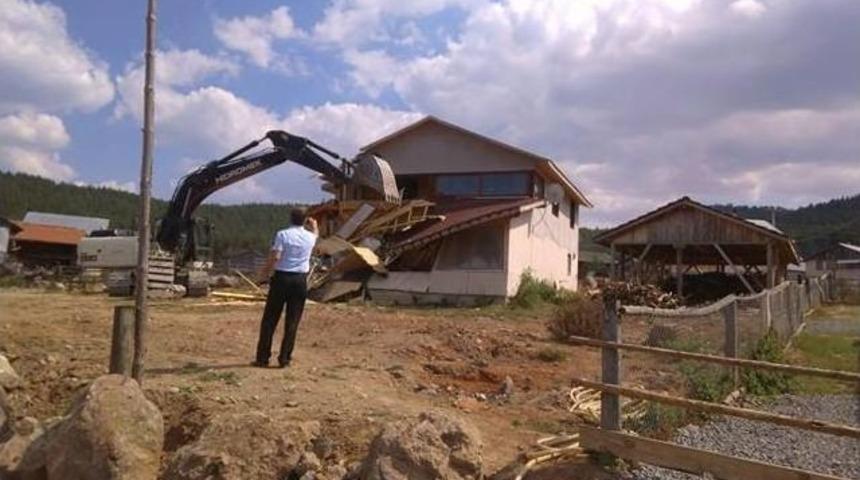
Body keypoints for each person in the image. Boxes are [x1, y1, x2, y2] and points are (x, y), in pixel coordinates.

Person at [253, 208, 318, 368]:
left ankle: (263, 358)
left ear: (290, 218)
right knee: (293, 321)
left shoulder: (282, 234)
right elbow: (316, 235)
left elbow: (275, 256)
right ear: (305, 220)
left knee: (270, 319)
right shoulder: (310, 237)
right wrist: (314, 225)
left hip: (282, 278)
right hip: (300, 280)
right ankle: (285, 358)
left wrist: (263, 274)